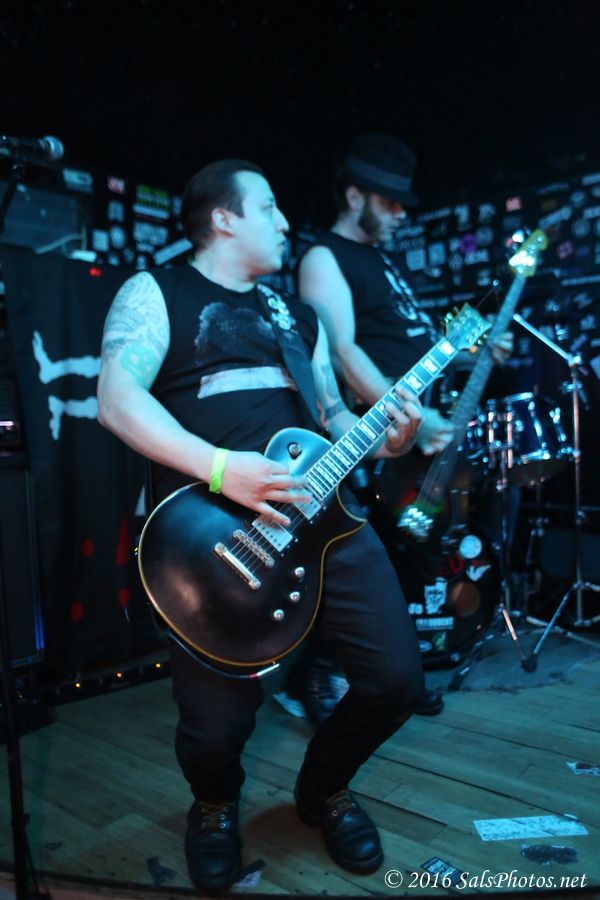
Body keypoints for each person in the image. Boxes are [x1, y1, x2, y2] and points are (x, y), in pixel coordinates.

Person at [97, 159, 428, 894]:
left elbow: (332, 421)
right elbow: (117, 400)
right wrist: (222, 469)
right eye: (269, 207)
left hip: (326, 520)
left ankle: (323, 788)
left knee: (397, 679)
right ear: (223, 217)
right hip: (215, 534)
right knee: (215, 726)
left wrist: (388, 438)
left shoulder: (296, 317)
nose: (284, 223)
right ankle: (214, 806)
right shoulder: (158, 291)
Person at [293, 133, 514, 718]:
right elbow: (341, 352)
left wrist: (473, 351)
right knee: (365, 560)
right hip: (373, 436)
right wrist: (417, 415)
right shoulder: (324, 258)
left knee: (408, 559)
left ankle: (394, 677)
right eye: (389, 201)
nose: (400, 213)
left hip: (413, 429)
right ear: (354, 195)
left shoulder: (384, 264)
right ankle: (321, 677)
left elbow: (412, 348)